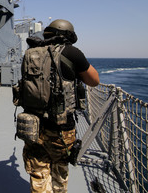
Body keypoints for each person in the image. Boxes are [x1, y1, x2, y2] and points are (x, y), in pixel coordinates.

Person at [21, 19, 100, 192]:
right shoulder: (72, 52)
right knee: (59, 170)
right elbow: (94, 81)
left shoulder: (30, 53)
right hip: (62, 128)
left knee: (38, 171)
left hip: (33, 125)